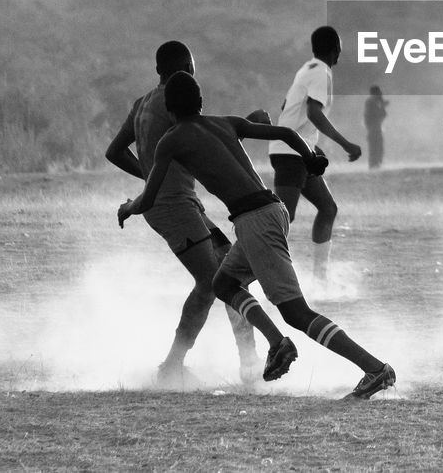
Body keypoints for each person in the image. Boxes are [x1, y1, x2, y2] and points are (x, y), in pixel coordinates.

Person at [118, 71, 396, 399]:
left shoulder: (172, 140)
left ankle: (374, 369)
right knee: (222, 283)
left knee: (297, 312)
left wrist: (128, 208)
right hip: (271, 210)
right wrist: (310, 159)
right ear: (201, 102)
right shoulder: (225, 123)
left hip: (254, 221)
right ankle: (277, 342)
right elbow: (285, 133)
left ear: (169, 106)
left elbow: (151, 196)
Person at [104, 40, 259, 385]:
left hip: (175, 202)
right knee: (211, 282)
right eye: (192, 67)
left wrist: (150, 175)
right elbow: (208, 139)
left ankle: (249, 361)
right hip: (171, 207)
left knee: (230, 274)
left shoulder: (142, 103)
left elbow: (115, 151)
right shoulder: (174, 103)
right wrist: (248, 126)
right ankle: (173, 366)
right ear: (187, 68)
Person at [269, 25, 362, 285]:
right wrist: (345, 144)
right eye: (339, 50)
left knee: (328, 208)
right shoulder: (322, 72)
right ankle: (254, 269)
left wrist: (312, 145)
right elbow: (313, 112)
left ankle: (320, 279)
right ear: (335, 50)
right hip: (291, 152)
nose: (339, 56)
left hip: (298, 150)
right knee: (282, 218)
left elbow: (287, 107)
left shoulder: (307, 69)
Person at [363, 86, 388, 170]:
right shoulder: (371, 102)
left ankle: (376, 165)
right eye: (379, 92)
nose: (381, 94)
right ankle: (374, 165)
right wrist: (383, 105)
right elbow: (379, 114)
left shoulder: (373, 101)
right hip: (373, 129)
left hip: (375, 129)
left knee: (377, 148)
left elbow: (382, 115)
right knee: (375, 149)